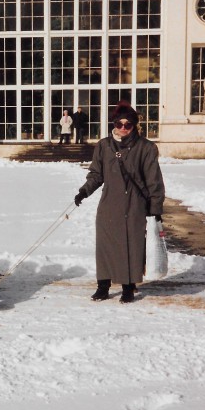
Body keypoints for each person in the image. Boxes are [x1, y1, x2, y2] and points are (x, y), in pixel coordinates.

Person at [74, 101, 165, 304]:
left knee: (131, 246)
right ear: (113, 124)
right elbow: (96, 174)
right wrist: (84, 191)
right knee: (106, 246)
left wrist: (155, 208)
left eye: (128, 124)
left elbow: (154, 180)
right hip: (109, 205)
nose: (123, 128)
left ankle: (128, 287)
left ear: (134, 126)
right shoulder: (104, 146)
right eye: (119, 124)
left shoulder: (146, 148)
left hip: (135, 206)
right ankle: (103, 286)